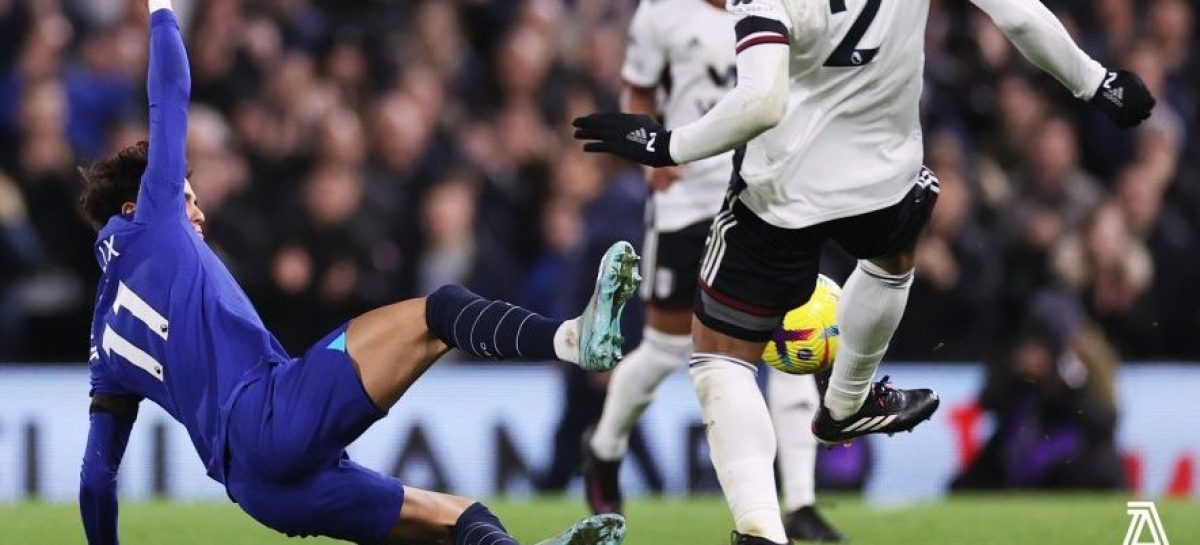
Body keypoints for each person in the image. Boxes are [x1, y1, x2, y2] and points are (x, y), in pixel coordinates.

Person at [574, 0, 1154, 543]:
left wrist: (667, 146)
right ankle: (849, 402)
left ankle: (762, 525)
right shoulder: (664, 14)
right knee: (890, 260)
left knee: (720, 356)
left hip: (783, 193)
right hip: (886, 182)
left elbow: (762, 103)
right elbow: (1020, 17)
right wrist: (1096, 82)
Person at [77, 3, 641, 545]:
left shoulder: (104, 341)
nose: (196, 212)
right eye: (187, 199)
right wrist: (161, 9)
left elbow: (97, 478)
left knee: (456, 519)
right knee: (438, 312)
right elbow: (170, 89)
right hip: (272, 415)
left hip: (257, 491)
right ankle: (573, 337)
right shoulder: (154, 221)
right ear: (135, 206)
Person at [580, 0, 840, 541]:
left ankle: (801, 502)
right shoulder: (662, 12)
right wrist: (650, 153)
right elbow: (639, 87)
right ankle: (604, 449)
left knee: (788, 343)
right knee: (667, 349)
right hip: (687, 198)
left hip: (766, 196)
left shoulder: (783, 3)